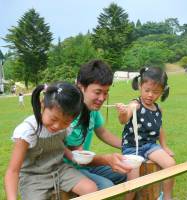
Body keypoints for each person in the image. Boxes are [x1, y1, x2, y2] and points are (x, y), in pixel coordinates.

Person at [4, 82, 97, 200]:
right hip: (33, 177)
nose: (57, 126)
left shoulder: (65, 127)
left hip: (60, 170)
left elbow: (60, 146)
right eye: (53, 119)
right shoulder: (27, 131)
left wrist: (73, 157)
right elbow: (12, 171)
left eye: (65, 122)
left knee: (91, 189)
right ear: (42, 105)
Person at [64, 59, 132, 190]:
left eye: (106, 92)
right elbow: (79, 156)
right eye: (97, 92)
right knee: (106, 185)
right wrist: (107, 160)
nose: (102, 98)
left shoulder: (91, 109)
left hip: (85, 165)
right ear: (80, 86)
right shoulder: (69, 115)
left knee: (124, 171)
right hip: (69, 166)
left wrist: (130, 146)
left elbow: (103, 133)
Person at [116, 67, 176, 200]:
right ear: (140, 86)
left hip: (150, 146)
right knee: (134, 182)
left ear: (162, 92)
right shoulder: (135, 104)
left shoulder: (158, 109)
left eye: (155, 92)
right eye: (147, 90)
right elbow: (124, 120)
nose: (150, 95)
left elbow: (159, 129)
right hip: (132, 148)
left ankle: (167, 197)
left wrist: (164, 147)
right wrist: (122, 113)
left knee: (171, 165)